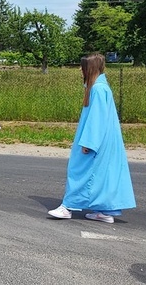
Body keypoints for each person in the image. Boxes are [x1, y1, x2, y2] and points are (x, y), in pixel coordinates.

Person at [48, 54, 136, 224]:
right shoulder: (100, 87)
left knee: (79, 170)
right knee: (101, 174)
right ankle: (103, 211)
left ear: (89, 69)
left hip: (95, 140)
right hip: (105, 140)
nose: (80, 70)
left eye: (83, 67)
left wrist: (89, 143)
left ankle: (68, 207)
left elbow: (97, 119)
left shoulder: (97, 89)